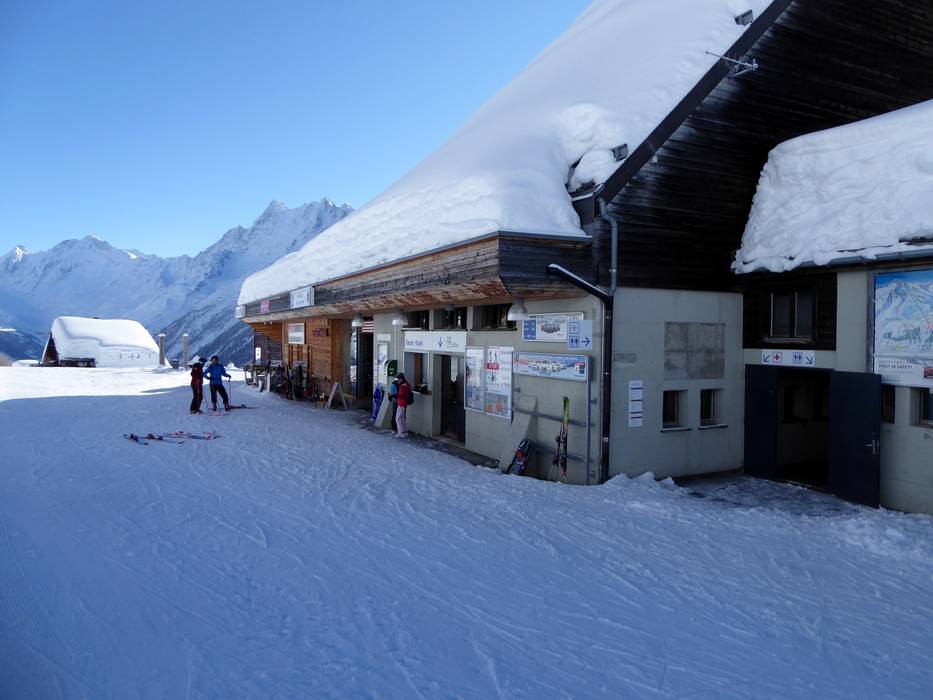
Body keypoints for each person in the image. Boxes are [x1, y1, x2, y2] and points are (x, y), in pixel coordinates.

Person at [394, 372, 412, 438]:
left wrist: (395, 395)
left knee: (398, 418)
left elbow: (401, 396)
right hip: (403, 403)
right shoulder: (406, 385)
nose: (397, 380)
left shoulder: (403, 386)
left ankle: (401, 432)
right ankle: (404, 431)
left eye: (398, 379)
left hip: (401, 403)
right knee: (402, 417)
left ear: (401, 379)